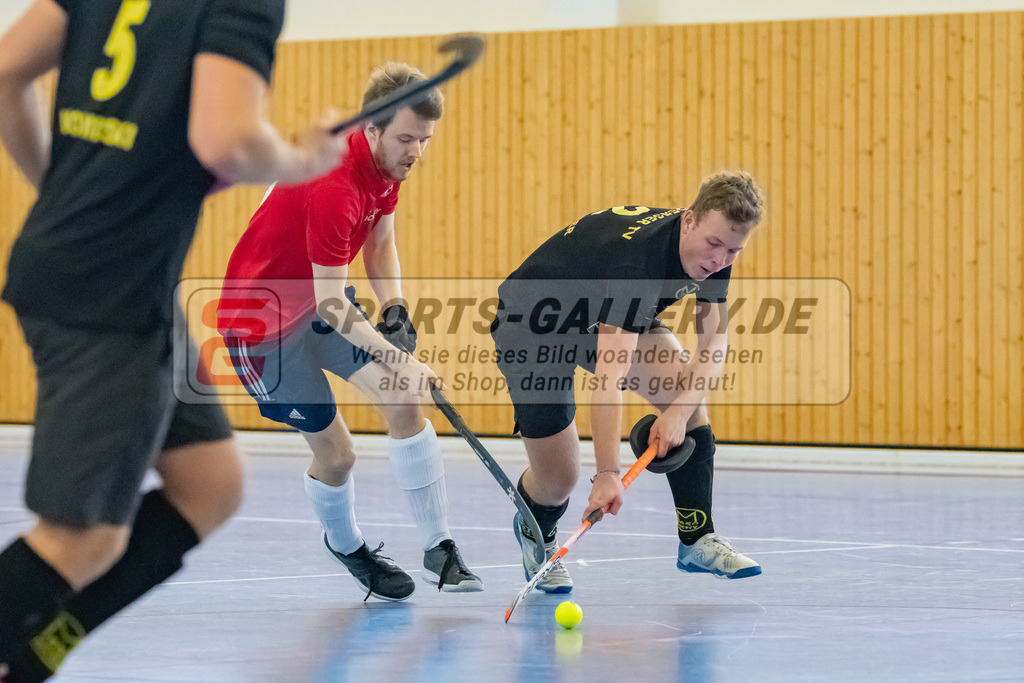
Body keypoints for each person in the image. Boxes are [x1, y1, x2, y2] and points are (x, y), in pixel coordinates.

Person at [0, 0, 346, 679]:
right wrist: (304, 157)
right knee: (86, 536)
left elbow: (6, 69)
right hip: (112, 297)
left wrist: (59, 195)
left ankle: (32, 658)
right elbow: (227, 141)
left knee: (209, 483)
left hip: (91, 274)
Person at [217, 63, 483, 601]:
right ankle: (348, 545)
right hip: (260, 328)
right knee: (337, 455)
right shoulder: (336, 186)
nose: (415, 152)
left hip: (313, 307)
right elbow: (334, 304)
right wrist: (400, 356)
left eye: (424, 140)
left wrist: (397, 309)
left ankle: (440, 548)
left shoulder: (387, 169)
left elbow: (380, 245)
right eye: (406, 138)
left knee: (405, 399)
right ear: (373, 130)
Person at [491, 171, 766, 593]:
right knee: (559, 479)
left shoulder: (718, 254)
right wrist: (607, 473)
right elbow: (609, 378)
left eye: (733, 251)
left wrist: (677, 413)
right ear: (688, 219)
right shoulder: (637, 264)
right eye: (714, 244)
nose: (719, 260)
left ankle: (697, 539)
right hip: (533, 326)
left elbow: (713, 346)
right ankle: (536, 530)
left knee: (686, 398)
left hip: (598, 311)